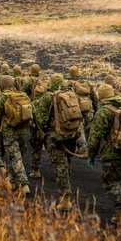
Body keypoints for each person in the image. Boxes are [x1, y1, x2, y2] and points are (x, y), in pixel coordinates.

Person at [87, 84, 121, 227]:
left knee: (110, 183)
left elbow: (95, 136)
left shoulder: (104, 112)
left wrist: (91, 155)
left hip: (113, 154)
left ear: (102, 97)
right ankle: (119, 217)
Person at [35, 73, 81, 211]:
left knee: (59, 167)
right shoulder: (72, 95)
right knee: (66, 163)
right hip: (71, 135)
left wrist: (42, 131)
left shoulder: (48, 97)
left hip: (55, 137)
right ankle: (67, 191)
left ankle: (65, 201)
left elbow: (41, 119)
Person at [0, 75, 32, 193]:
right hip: (24, 131)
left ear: (2, 85)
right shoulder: (23, 95)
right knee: (18, 157)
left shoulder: (2, 97)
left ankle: (24, 184)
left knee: (15, 157)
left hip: (10, 132)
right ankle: (11, 181)